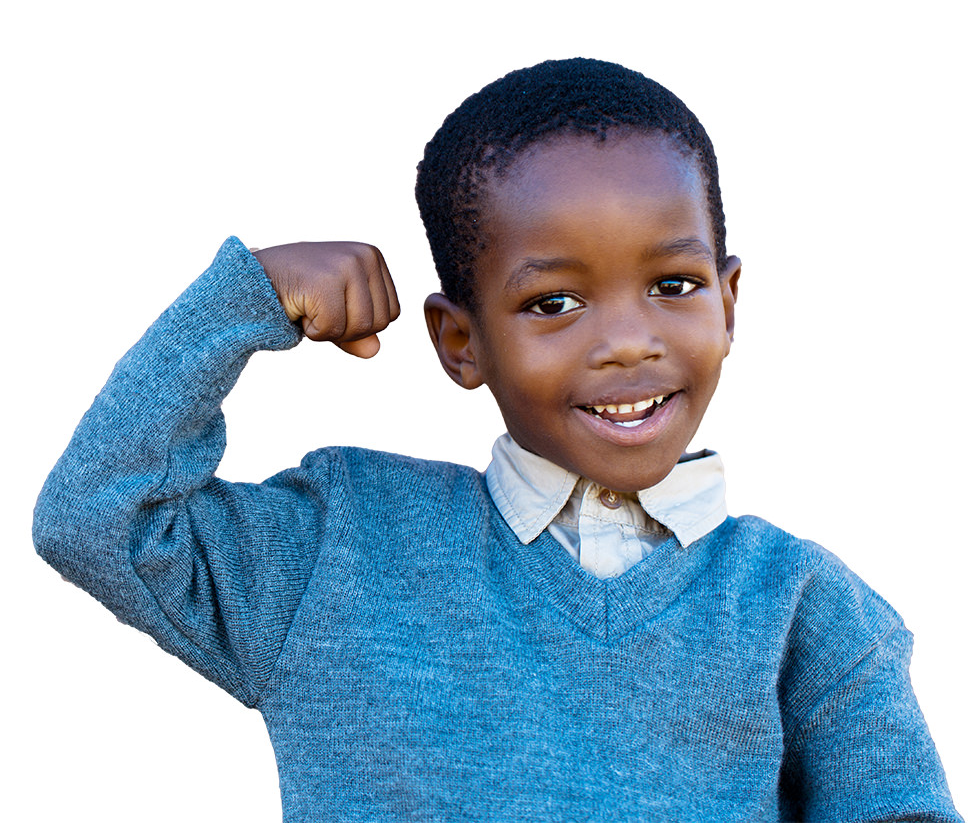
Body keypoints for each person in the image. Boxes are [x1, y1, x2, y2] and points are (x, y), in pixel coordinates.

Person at [33, 58, 961, 821]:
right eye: (552, 302)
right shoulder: (338, 550)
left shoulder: (807, 610)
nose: (627, 340)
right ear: (461, 341)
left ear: (728, 302)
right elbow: (95, 519)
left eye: (672, 285)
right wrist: (241, 304)